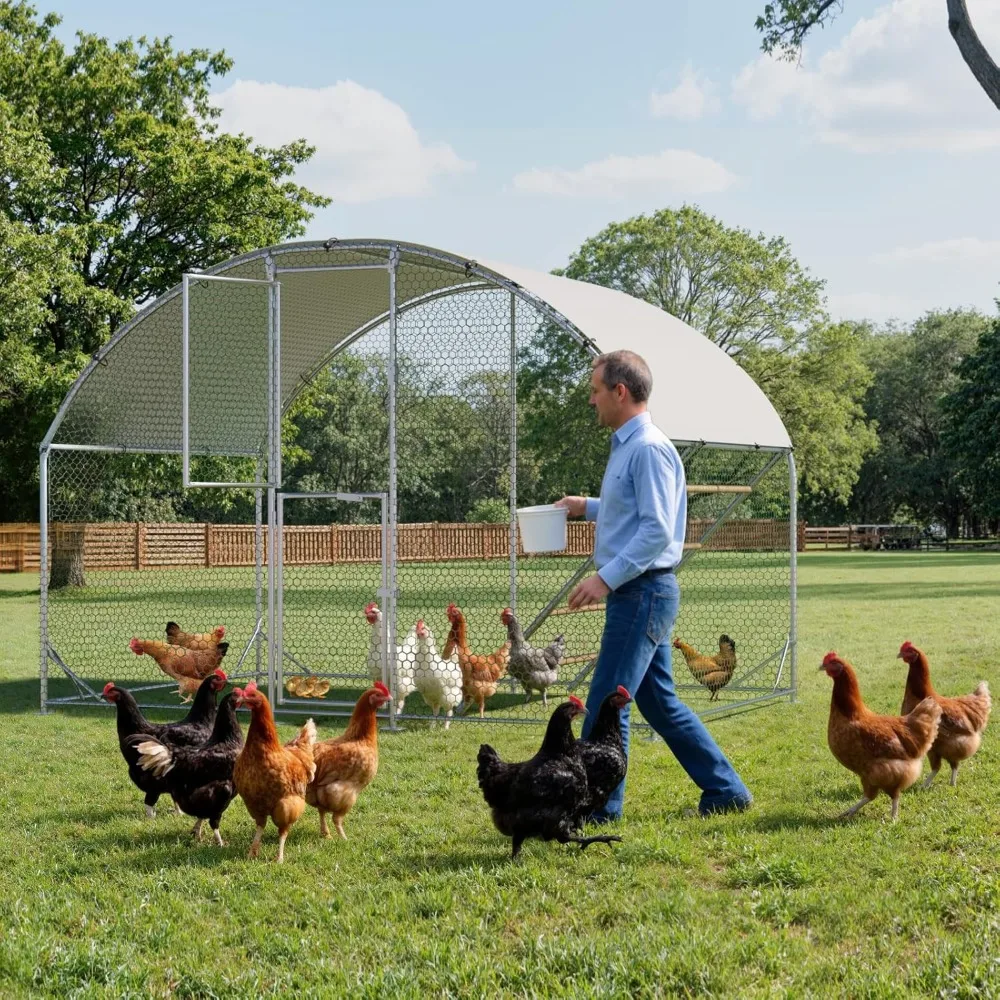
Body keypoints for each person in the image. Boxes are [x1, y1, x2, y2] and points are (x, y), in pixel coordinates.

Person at [556, 350, 752, 821]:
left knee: (606, 703)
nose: (591, 400)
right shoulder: (630, 446)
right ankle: (726, 791)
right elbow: (635, 509)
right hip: (642, 593)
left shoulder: (647, 447)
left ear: (620, 392)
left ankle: (597, 811)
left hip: (642, 592)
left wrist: (605, 578)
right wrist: (590, 506)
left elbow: (659, 531)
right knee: (659, 704)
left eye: (596, 390)